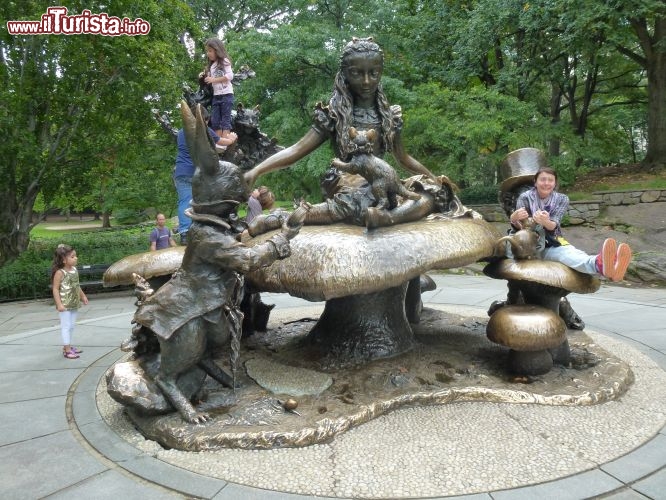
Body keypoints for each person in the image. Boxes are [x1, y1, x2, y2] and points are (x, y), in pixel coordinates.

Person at [244, 37, 436, 188]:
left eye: (373, 73)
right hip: (346, 183)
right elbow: (296, 150)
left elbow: (404, 159)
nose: (367, 81)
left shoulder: (388, 116)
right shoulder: (333, 115)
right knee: (373, 195)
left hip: (378, 181)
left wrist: (434, 180)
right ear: (344, 74)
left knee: (423, 193)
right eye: (357, 73)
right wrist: (257, 170)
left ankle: (383, 213)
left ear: (380, 73)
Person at [509, 166, 633, 281]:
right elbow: (521, 230)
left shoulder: (562, 199)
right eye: (543, 180)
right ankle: (603, 265)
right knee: (566, 254)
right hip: (528, 246)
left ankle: (601, 264)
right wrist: (514, 218)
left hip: (551, 241)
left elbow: (554, 225)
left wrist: (545, 221)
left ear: (555, 183)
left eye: (550, 180)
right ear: (535, 182)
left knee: (569, 253)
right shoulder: (524, 197)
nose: (546, 183)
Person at [174, 106, 236, 244]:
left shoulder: (180, 133)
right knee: (206, 202)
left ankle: (184, 234)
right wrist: (232, 137)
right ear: (204, 120)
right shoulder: (204, 131)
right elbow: (223, 143)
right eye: (207, 121)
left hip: (181, 171)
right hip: (198, 174)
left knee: (184, 201)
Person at [51, 244, 89, 359]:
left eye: (75, 256)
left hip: (74, 303)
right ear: (63, 260)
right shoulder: (60, 273)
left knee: (71, 326)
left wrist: (83, 296)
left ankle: (67, 346)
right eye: (72, 257)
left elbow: (76, 285)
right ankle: (67, 350)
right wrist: (59, 304)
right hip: (65, 305)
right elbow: (55, 289)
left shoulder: (74, 270)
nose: (76, 258)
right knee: (66, 326)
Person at [201, 38, 236, 146]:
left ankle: (225, 143)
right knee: (215, 121)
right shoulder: (212, 66)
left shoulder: (224, 61)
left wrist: (213, 80)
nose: (208, 54)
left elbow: (230, 76)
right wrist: (204, 77)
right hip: (216, 96)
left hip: (226, 95)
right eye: (207, 51)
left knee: (225, 120)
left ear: (217, 50)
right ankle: (218, 143)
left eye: (210, 51)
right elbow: (211, 80)